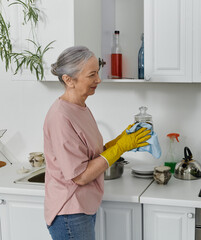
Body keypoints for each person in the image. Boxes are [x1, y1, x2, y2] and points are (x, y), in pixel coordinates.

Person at [43, 46, 150, 240]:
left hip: (82, 207)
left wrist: (120, 139)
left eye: (97, 73)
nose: (98, 80)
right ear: (69, 80)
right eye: (92, 75)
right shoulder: (60, 116)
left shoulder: (80, 107)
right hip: (69, 211)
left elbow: (89, 154)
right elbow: (80, 176)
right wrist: (121, 146)